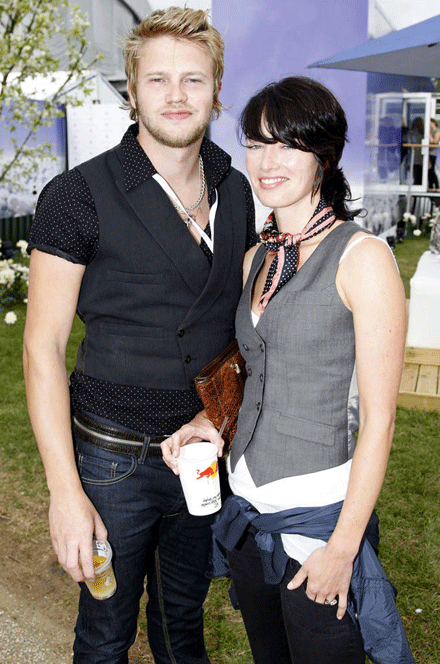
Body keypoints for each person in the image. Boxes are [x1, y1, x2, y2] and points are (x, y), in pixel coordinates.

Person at [23, 7, 255, 664]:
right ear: (131, 89)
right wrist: (65, 493)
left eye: (193, 79)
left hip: (202, 456)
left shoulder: (236, 190)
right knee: (104, 635)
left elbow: (244, 326)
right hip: (111, 461)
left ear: (216, 90)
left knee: (183, 624)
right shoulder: (76, 195)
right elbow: (42, 349)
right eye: (158, 79)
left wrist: (224, 414)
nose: (176, 95)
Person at [163, 76, 412, 663]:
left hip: (319, 524)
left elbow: (380, 421)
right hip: (248, 514)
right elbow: (255, 369)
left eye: (286, 145)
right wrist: (207, 421)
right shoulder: (257, 256)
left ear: (323, 155)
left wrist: (343, 548)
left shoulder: (363, 259)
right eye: (255, 144)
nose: (266, 162)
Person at [428, 118, 440, 190]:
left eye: (431, 123)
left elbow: (434, 141)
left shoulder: (437, 131)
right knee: (429, 169)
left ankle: (437, 186)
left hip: (433, 153)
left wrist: (429, 134)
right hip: (428, 152)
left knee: (431, 169)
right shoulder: (430, 131)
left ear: (434, 123)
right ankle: (430, 186)